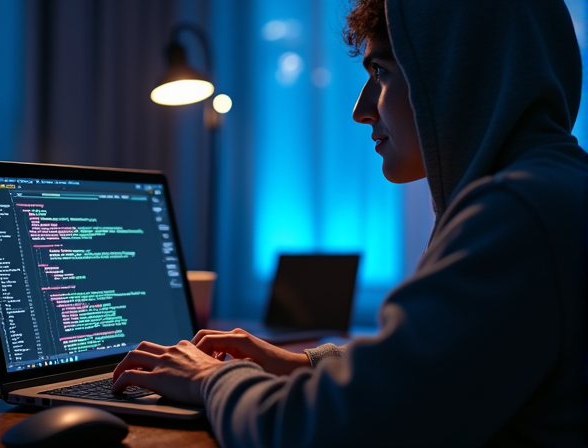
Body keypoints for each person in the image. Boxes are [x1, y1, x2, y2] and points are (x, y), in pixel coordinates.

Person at [113, 0, 588, 445]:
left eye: (380, 71)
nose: (362, 110)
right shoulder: (552, 189)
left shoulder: (516, 215)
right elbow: (439, 377)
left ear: (459, 72)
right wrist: (301, 364)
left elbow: (325, 431)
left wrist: (209, 378)